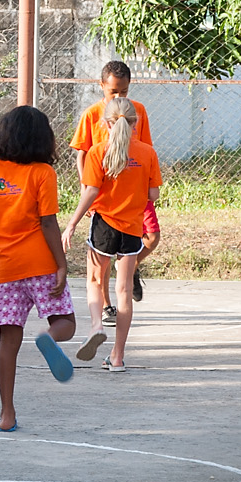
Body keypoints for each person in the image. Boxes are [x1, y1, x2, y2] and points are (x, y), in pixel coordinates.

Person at [0, 106, 75, 431]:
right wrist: (61, 264)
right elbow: (48, 223)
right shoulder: (43, 173)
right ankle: (48, 337)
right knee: (65, 322)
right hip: (41, 264)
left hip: (5, 270)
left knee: (8, 342)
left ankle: (7, 414)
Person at [61, 96, 162, 372]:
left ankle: (96, 326)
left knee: (95, 280)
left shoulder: (97, 152)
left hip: (104, 224)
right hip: (132, 228)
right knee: (124, 291)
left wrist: (71, 223)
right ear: (135, 124)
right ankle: (117, 357)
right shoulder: (148, 153)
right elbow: (153, 194)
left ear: (106, 124)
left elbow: (91, 191)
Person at [70, 61, 157, 321]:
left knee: (152, 237)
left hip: (133, 194)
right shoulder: (92, 115)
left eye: (124, 91)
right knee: (103, 256)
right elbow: (82, 154)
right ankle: (108, 305)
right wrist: (87, 190)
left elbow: (145, 149)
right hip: (105, 197)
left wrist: (146, 187)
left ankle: (130, 268)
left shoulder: (137, 111)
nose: (119, 96)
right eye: (113, 91)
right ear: (101, 86)